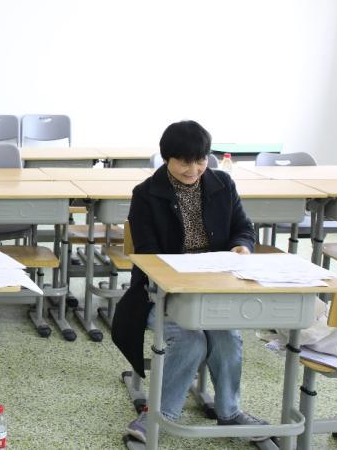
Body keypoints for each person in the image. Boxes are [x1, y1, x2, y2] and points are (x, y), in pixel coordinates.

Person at [111, 120, 267, 443]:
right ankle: (159, 415)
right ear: (167, 158)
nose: (193, 169)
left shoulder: (223, 184)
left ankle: (230, 413)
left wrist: (242, 246)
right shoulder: (145, 194)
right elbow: (148, 254)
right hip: (161, 293)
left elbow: (243, 228)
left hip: (213, 290)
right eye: (184, 161)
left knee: (227, 337)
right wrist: (185, 275)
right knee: (190, 340)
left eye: (200, 160)